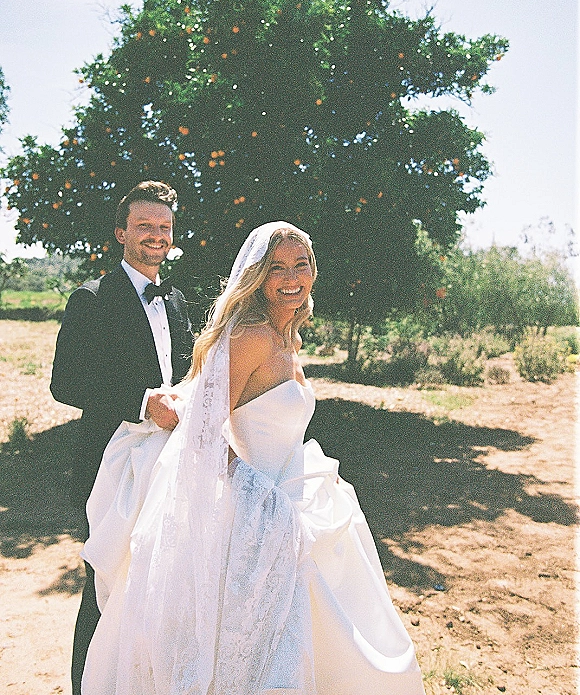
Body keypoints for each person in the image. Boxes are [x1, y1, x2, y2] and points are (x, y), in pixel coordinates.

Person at [81, 221, 425, 695]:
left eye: (300, 266)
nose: (291, 278)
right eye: (277, 268)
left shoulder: (290, 338)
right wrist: (261, 503)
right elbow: (203, 434)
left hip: (298, 490)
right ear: (257, 276)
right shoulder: (251, 337)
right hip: (256, 508)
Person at [50, 180, 193, 695]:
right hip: (109, 466)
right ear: (121, 233)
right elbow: (64, 382)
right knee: (106, 583)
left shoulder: (176, 299)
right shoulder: (91, 299)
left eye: (163, 227)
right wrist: (141, 403)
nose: (155, 235)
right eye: (144, 226)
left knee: (159, 583)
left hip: (169, 466)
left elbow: (185, 373)